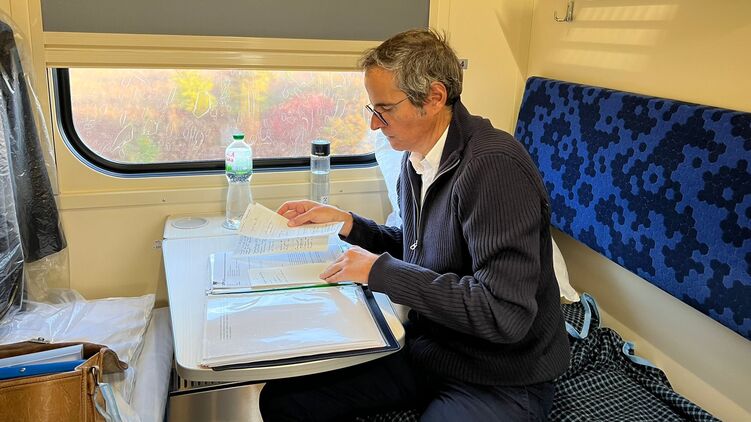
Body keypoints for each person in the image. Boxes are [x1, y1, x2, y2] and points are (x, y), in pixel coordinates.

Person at [260, 28, 570, 421]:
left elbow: (503, 313)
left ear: (435, 97)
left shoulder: (494, 167)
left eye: (385, 109)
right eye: (373, 109)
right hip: (431, 351)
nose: (375, 125)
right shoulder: (417, 160)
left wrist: (381, 272)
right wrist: (348, 224)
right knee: (283, 399)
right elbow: (421, 251)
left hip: (500, 376)